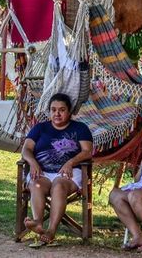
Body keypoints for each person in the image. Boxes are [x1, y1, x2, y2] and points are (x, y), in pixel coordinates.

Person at [22, 92, 93, 246]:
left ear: (69, 112)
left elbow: (87, 151)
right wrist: (33, 162)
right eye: (53, 110)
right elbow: (26, 149)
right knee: (36, 184)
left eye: (61, 110)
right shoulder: (40, 128)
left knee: (59, 186)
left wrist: (71, 162)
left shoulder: (80, 128)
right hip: (42, 172)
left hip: (69, 172)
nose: (57, 114)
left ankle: (51, 231)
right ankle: (38, 223)